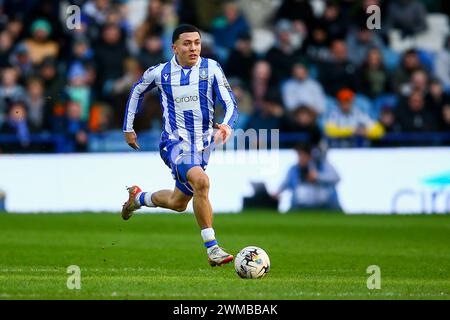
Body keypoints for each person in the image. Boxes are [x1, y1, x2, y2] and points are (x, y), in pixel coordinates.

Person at [121, 24, 238, 267]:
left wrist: (226, 124)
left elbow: (230, 103)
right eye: (187, 43)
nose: (193, 48)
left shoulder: (212, 68)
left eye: (197, 42)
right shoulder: (160, 73)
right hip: (173, 143)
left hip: (202, 148)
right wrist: (128, 127)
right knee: (202, 182)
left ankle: (138, 198)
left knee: (178, 203)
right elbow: (136, 91)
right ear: (174, 47)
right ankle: (213, 248)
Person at [274, 143, 341, 211]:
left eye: (302, 155)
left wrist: (318, 176)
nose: (300, 158)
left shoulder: (322, 165)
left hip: (324, 203)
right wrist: (277, 192)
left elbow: (336, 177)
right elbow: (286, 182)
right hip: (300, 204)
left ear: (310, 156)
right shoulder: (294, 169)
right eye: (299, 155)